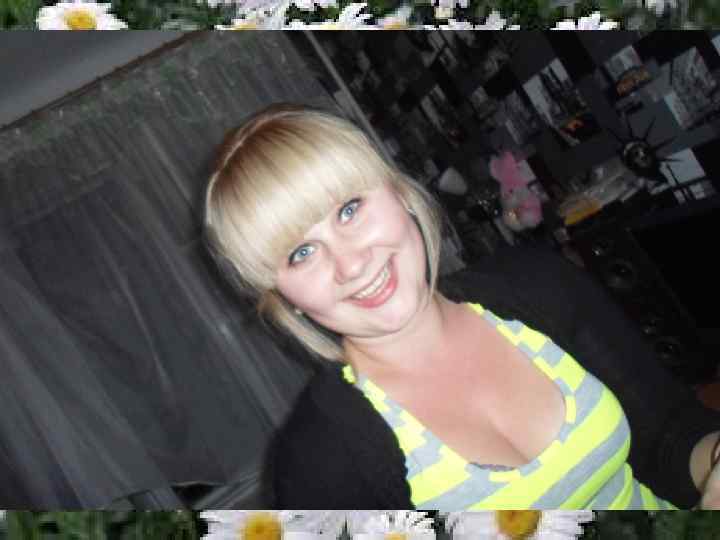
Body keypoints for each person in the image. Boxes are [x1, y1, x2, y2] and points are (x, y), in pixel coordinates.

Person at [203, 102, 720, 510]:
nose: (352, 265)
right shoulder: (321, 464)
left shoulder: (538, 285)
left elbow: (667, 435)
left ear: (398, 192)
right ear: (283, 297)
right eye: (301, 253)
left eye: (349, 209)